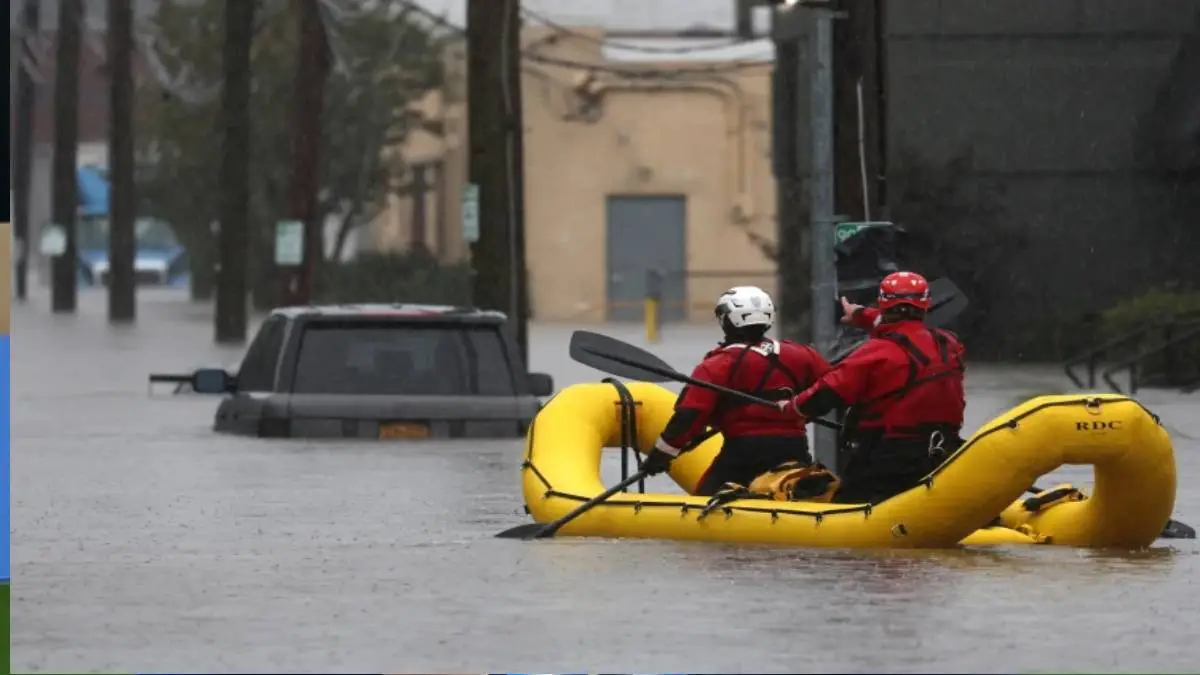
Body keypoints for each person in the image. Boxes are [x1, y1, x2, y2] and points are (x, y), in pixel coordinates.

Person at [777, 271, 967, 504]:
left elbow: (826, 393)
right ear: (926, 304)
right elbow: (906, 329)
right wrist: (861, 315)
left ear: (883, 303)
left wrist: (792, 407)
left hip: (889, 458)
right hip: (945, 451)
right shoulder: (950, 343)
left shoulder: (876, 352)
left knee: (847, 503)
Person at [640, 286, 832, 496]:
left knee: (704, 499)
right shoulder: (802, 355)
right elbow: (830, 392)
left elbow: (689, 415)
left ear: (728, 320)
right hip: (794, 448)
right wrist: (799, 413)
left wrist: (661, 455)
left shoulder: (715, 365)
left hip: (742, 452)